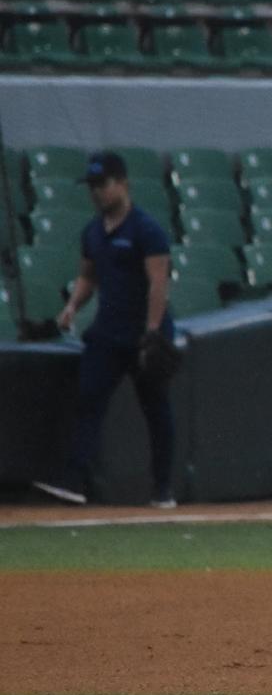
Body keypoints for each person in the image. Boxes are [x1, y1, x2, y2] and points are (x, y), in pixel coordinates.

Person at [32, 151, 179, 509]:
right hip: (110, 332)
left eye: (103, 184)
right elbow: (88, 276)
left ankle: (163, 489)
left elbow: (158, 283)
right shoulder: (93, 232)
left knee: (155, 408)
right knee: (88, 399)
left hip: (144, 332)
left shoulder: (146, 229)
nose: (96, 193)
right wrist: (70, 307)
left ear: (122, 184)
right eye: (93, 186)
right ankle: (74, 481)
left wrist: (153, 332)